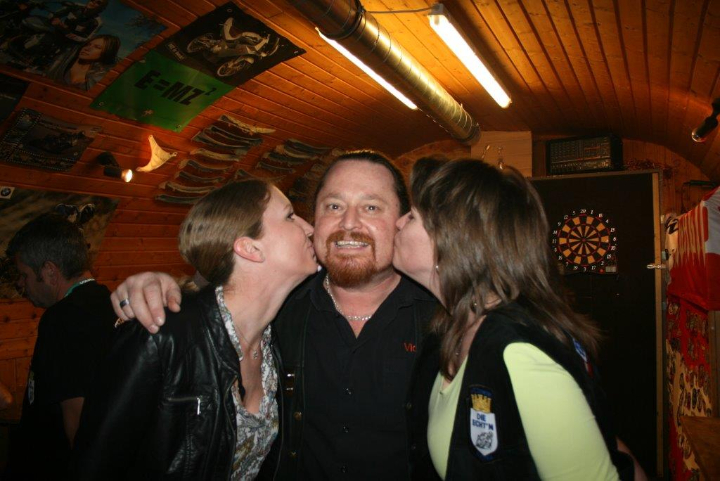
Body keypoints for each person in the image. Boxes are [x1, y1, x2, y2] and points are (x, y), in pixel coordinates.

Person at [111, 151, 438, 479]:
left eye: (371, 207)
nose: (349, 223)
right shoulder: (281, 311)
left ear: (402, 221)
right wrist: (155, 286)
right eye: (333, 206)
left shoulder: (444, 318)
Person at [396, 159, 637, 479]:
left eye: (412, 216)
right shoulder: (453, 328)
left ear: (451, 240)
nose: (398, 222)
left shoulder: (518, 352)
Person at [72, 180, 317, 479]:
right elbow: (95, 463)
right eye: (290, 216)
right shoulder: (160, 336)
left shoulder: (276, 341)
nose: (309, 228)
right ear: (250, 248)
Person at [3, 213, 116, 480]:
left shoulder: (62, 319)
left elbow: (78, 417)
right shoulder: (110, 302)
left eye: (25, 275)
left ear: (50, 272)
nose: (20, 284)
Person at [47, 34, 119, 90]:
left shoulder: (101, 74)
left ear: (107, 53)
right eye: (88, 44)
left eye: (97, 47)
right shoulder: (65, 61)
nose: (87, 48)